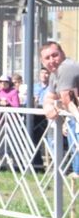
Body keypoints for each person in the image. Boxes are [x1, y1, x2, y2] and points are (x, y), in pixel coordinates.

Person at [41, 42, 79, 179]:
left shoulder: (65, 68)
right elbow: (49, 98)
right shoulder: (54, 74)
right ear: (42, 61)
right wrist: (48, 107)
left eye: (55, 55)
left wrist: (55, 108)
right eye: (47, 58)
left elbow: (66, 100)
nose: (52, 60)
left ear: (62, 54)